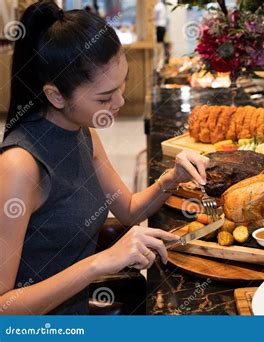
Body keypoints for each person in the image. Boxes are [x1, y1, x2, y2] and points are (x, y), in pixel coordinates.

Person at [0, 1, 208, 315]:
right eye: (104, 97)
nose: (120, 102)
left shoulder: (82, 131)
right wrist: (99, 263)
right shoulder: (20, 166)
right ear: (55, 95)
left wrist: (172, 178)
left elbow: (127, 210)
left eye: (121, 86)